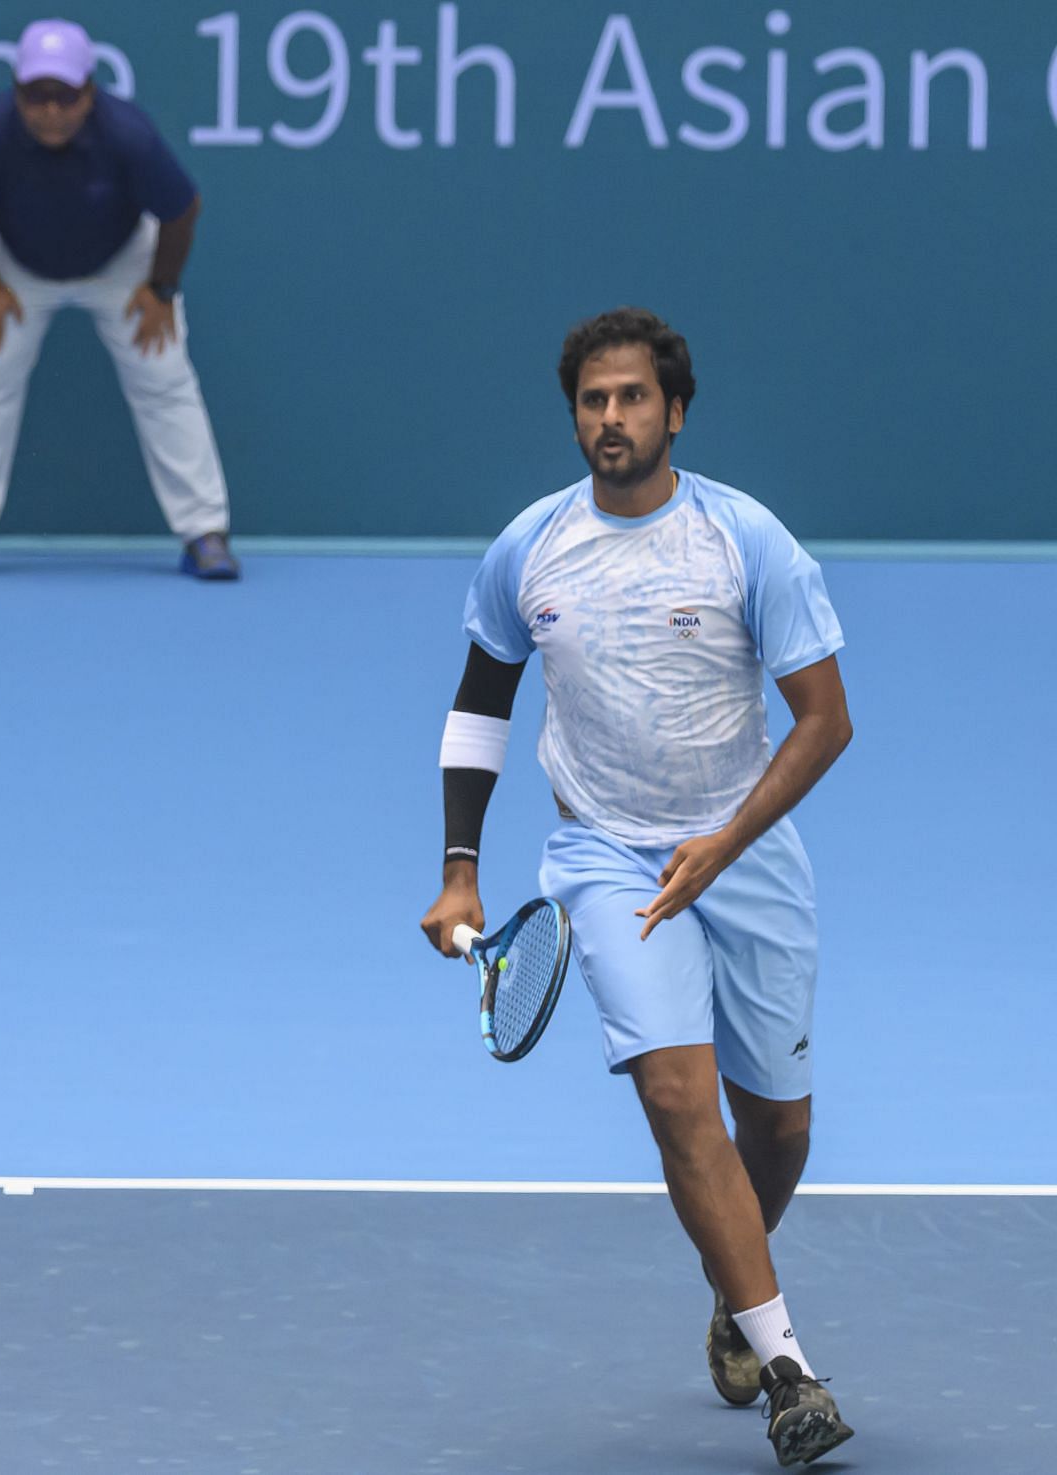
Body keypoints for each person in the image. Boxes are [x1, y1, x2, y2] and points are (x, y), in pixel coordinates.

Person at [419, 309, 856, 1468]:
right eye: (591, 400)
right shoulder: (529, 548)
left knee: (780, 1127)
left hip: (748, 852)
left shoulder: (742, 536)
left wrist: (722, 841)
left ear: (675, 410)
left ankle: (733, 1279)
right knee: (675, 1096)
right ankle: (788, 1367)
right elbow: (480, 705)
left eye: (631, 398)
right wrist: (460, 866)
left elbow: (826, 722)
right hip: (606, 856)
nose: (610, 418)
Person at [0, 17, 238, 581]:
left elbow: (182, 210)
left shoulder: (129, 135)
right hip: (13, 269)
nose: (51, 111)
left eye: (65, 97)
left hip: (122, 266)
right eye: (36, 97)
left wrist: (161, 289)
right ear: (15, 93)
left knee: (164, 381)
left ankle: (205, 531)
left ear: (90, 92)